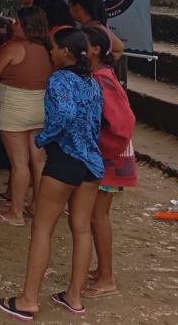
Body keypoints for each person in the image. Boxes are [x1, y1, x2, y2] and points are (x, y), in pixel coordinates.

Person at [0, 28, 104, 321]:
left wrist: (44, 138)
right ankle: (74, 296)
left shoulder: (59, 80)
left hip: (65, 159)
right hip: (92, 163)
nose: (52, 52)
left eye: (54, 48)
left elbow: (65, 114)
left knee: (42, 228)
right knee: (81, 229)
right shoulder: (93, 82)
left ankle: (28, 299)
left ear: (66, 52)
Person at [83, 26, 137, 300]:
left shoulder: (101, 79)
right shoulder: (103, 75)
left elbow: (122, 123)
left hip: (108, 157)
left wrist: (100, 148)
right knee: (96, 216)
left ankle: (107, 278)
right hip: (108, 155)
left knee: (98, 216)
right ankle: (102, 270)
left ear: (95, 50)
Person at [0, 7, 53, 227]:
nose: (13, 25)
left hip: (15, 107)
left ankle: (16, 212)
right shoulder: (48, 49)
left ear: (26, 25)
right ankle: (37, 205)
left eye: (17, 22)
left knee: (19, 163)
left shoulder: (13, 48)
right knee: (38, 160)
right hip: (40, 107)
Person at [68, 0, 124, 65]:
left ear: (77, 7)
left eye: (70, 6)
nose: (69, 9)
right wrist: (106, 65)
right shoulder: (101, 26)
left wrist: (99, 66)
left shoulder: (90, 32)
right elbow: (119, 48)